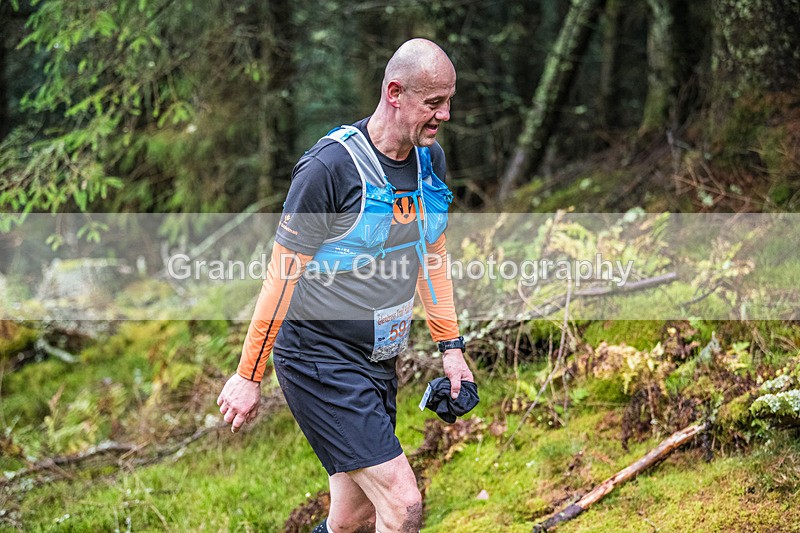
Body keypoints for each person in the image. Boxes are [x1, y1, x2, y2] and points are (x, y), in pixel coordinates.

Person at [216, 38, 473, 533]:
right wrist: (249, 375)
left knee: (352, 517)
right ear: (395, 92)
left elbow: (432, 256)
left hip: (378, 360)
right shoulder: (328, 169)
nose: (446, 114)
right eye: (434, 103)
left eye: (449, 100)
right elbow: (281, 278)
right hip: (319, 359)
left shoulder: (429, 162)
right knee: (403, 505)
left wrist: (451, 348)